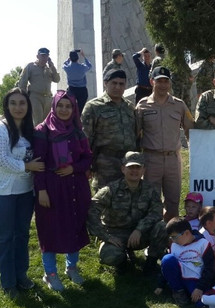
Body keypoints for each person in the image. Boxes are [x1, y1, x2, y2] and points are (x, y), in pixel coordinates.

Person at [33, 90, 93, 291]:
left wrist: (73, 168)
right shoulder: (43, 131)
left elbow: (87, 158)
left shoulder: (78, 131)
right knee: (49, 230)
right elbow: (38, 163)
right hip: (51, 188)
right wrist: (41, 190)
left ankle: (72, 267)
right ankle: (50, 274)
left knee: (75, 225)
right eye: (61, 105)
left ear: (74, 109)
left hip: (75, 187)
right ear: (54, 106)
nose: (64, 109)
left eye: (69, 106)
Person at [87, 151, 167, 274]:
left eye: (138, 167)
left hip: (140, 234)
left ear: (143, 170)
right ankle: (122, 262)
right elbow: (91, 211)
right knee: (109, 256)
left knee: (162, 227)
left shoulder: (150, 190)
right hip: (116, 235)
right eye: (130, 167)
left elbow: (156, 213)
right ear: (123, 169)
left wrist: (139, 229)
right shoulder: (110, 190)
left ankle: (150, 264)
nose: (134, 171)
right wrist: (105, 236)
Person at [0, 88, 44, 297]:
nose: (18, 108)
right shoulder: (2, 128)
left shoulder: (29, 130)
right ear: (7, 106)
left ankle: (21, 275)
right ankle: (8, 282)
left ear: (28, 106)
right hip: (5, 192)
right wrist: (27, 167)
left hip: (26, 191)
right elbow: (2, 160)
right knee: (6, 237)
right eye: (13, 103)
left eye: (22, 103)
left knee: (22, 235)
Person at [136, 66, 194, 221]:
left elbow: (191, 130)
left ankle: (171, 240)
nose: (162, 85)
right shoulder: (142, 106)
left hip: (172, 160)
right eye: (159, 81)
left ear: (170, 83)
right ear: (151, 82)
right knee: (151, 201)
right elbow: (135, 134)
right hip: (150, 159)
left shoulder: (179, 105)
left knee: (173, 202)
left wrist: (194, 154)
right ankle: (153, 238)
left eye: (165, 81)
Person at [82, 69, 138, 191]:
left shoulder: (130, 107)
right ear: (105, 83)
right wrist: (86, 165)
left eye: (121, 84)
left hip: (128, 165)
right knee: (104, 203)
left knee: (126, 203)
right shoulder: (93, 107)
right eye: (114, 83)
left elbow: (136, 134)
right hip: (105, 164)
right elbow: (85, 139)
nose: (117, 87)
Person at [160, 217, 215, 307]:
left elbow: (210, 268)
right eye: (171, 237)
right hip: (180, 279)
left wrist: (200, 288)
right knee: (167, 259)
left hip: (195, 281)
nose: (173, 240)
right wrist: (160, 284)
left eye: (175, 237)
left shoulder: (203, 244)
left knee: (201, 305)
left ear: (187, 233)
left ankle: (192, 293)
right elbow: (166, 266)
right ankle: (178, 292)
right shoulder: (174, 245)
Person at [16, 47, 60, 124]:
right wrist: (23, 97)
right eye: (42, 55)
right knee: (38, 121)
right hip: (35, 97)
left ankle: (45, 136)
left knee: (47, 122)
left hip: (48, 98)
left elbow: (57, 79)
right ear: (37, 56)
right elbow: (23, 82)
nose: (44, 58)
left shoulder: (49, 68)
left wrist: (52, 67)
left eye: (46, 56)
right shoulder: (30, 66)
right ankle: (37, 136)